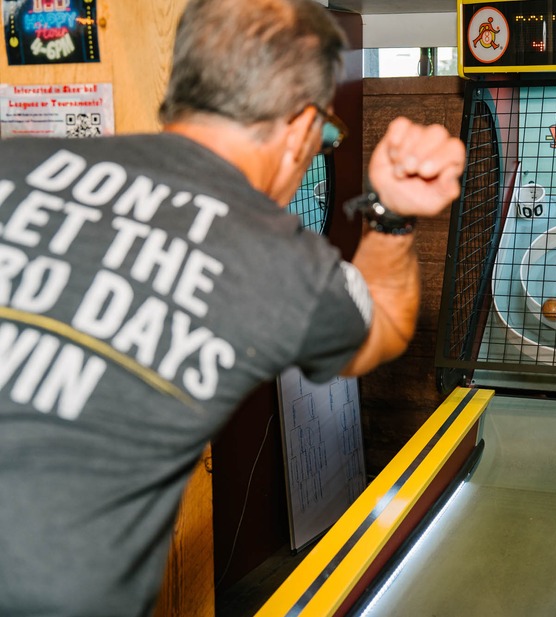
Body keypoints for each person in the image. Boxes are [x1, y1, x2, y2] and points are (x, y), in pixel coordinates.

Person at [0, 0, 465, 615]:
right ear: (301, 128)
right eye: (325, 138)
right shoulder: (276, 260)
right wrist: (393, 211)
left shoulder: (13, 161)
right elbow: (382, 325)